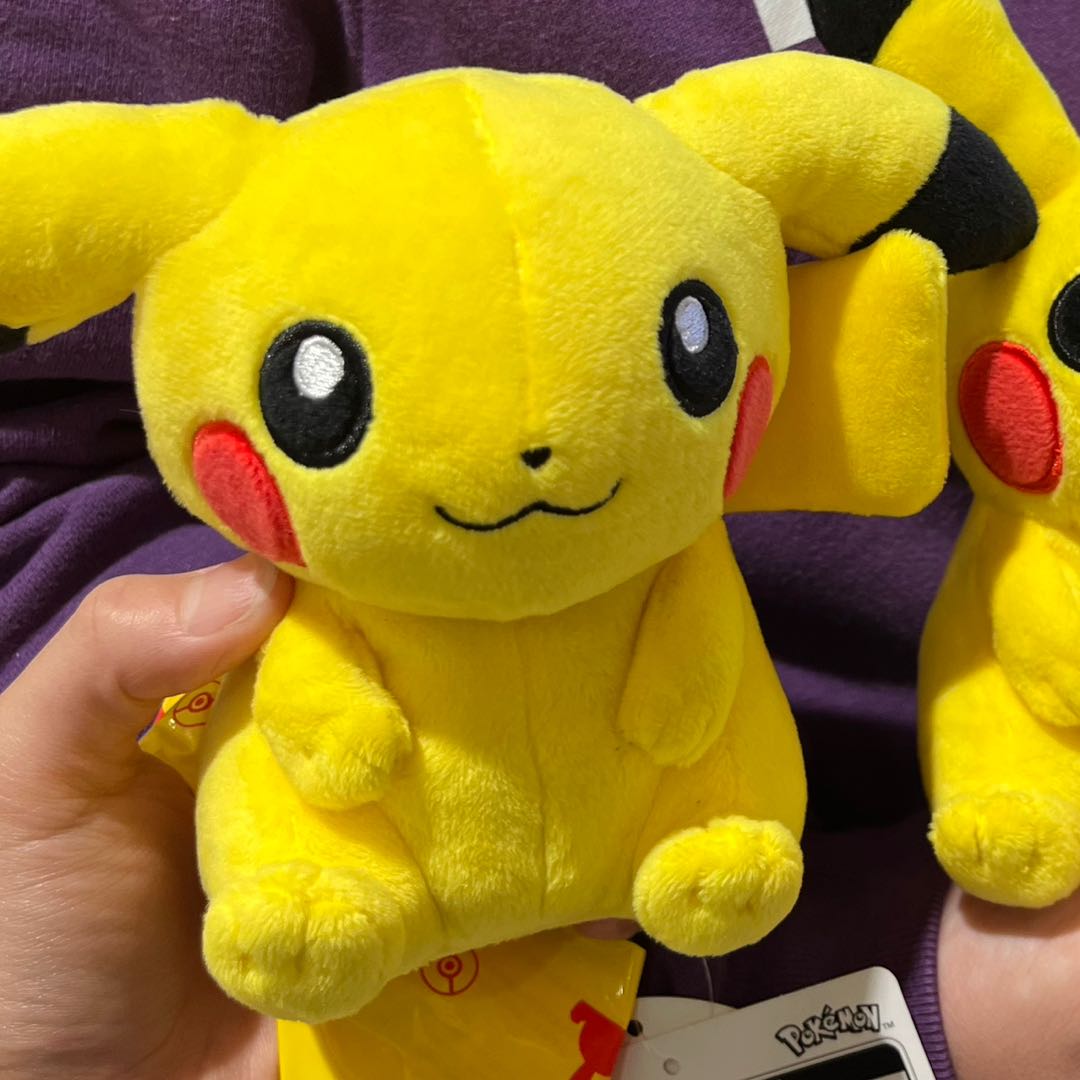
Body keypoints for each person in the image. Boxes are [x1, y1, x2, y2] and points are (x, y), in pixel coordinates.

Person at [0, 2, 1077, 1077]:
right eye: (321, 391)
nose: (535, 451)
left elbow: (697, 659)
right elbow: (45, 461)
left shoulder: (683, 539)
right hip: (455, 1002)